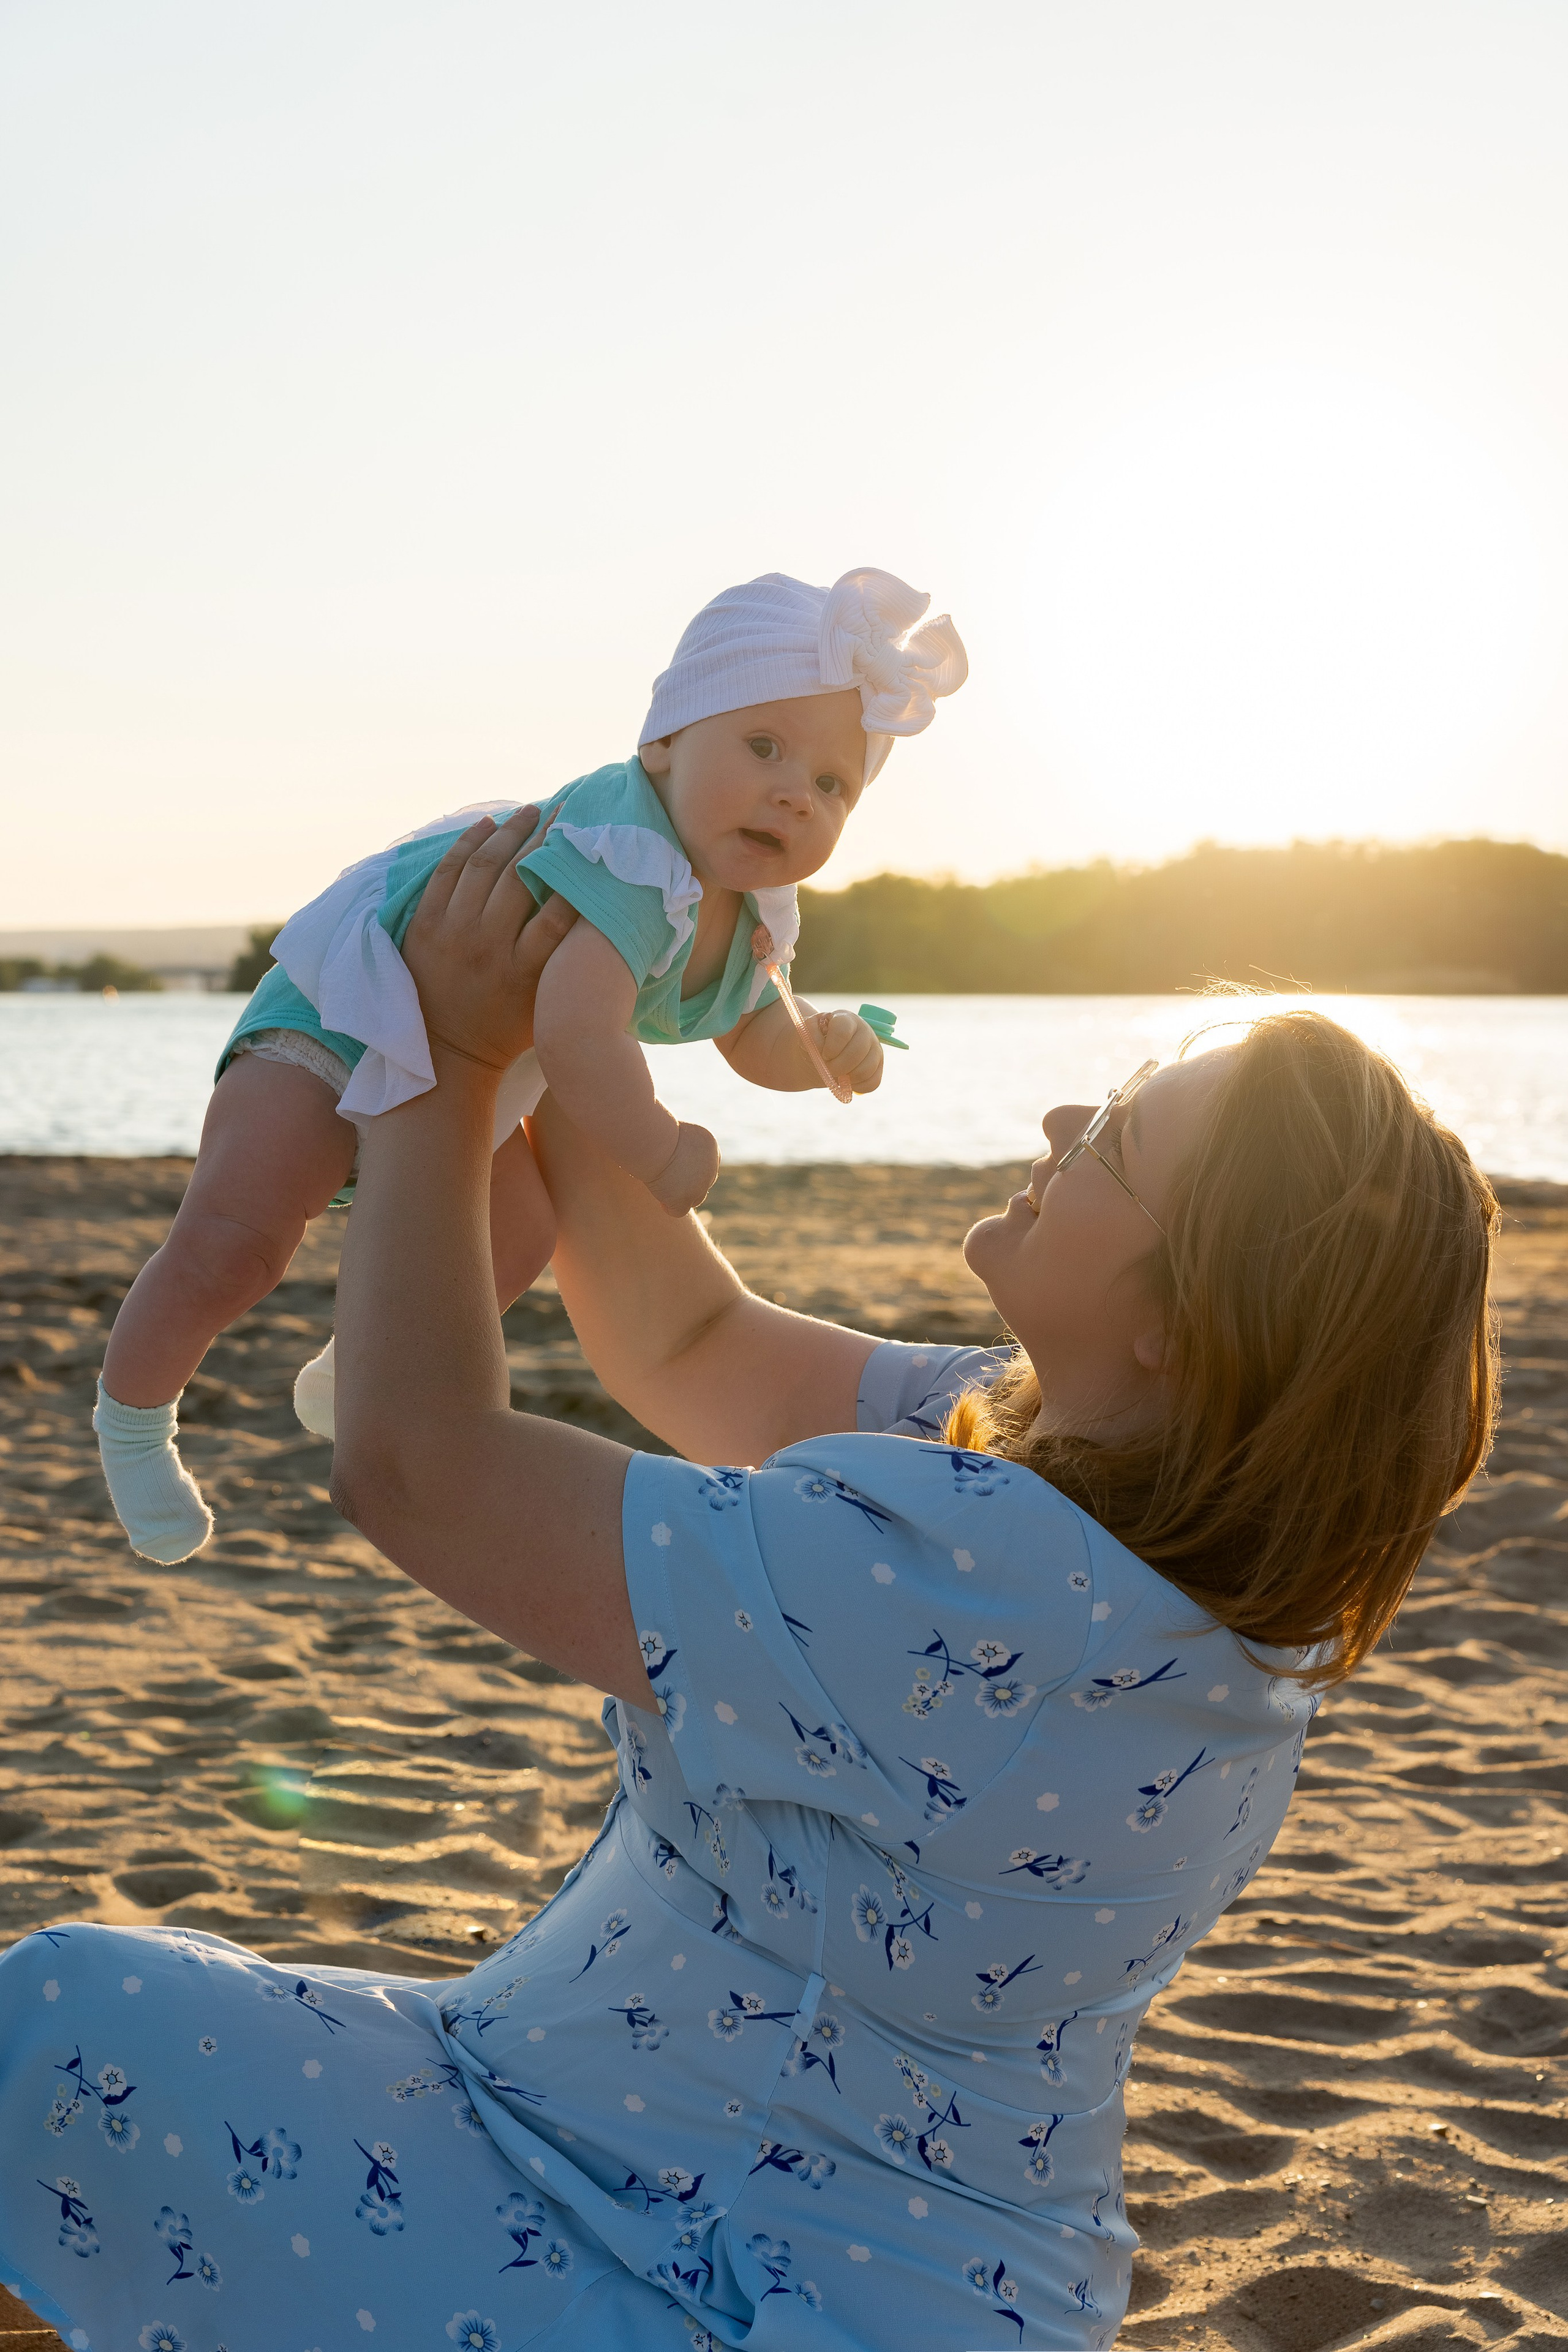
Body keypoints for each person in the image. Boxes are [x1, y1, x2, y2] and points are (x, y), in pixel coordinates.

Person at [0, 810, 1497, 2352]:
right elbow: (687, 1340)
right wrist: (572, 1000)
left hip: (675, 2250)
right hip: (916, 2267)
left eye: (1111, 1140)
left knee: (62, 2026)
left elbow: (418, 1467)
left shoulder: (964, 1582)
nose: (1058, 1118)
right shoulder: (1120, 1515)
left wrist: (435, 1074)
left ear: (1182, 1328)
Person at [91, 567, 967, 1566]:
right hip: (345, 1018)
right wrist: (654, 1148)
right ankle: (135, 1422)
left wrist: (819, 1050)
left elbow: (748, 1031)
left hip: (471, 1069)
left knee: (516, 1229)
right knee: (238, 1244)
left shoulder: (754, 910)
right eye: (763, 746)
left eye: (831, 785)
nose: (791, 793)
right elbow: (580, 1033)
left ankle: (354, 1365)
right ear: (666, 742)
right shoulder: (624, 841)